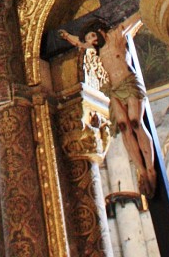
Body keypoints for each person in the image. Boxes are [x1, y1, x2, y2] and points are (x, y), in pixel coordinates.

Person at [59, 16, 157, 197]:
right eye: (89, 40)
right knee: (124, 126)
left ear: (100, 31)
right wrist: (66, 36)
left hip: (128, 82)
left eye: (93, 37)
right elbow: (79, 44)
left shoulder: (115, 36)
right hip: (114, 90)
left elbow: (134, 19)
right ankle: (141, 170)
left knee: (135, 122)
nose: (92, 42)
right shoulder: (96, 49)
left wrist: (141, 4)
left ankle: (150, 169)